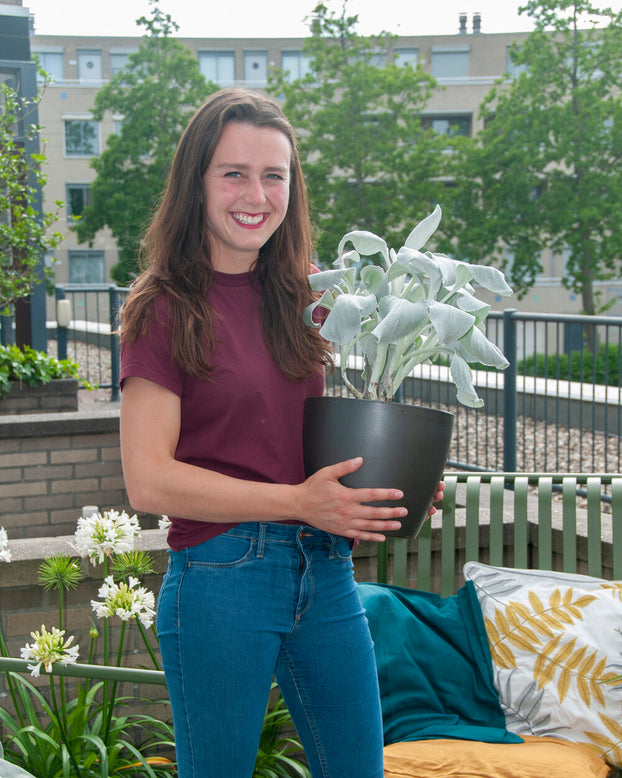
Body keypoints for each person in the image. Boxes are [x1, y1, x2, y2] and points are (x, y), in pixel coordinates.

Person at [119, 87, 444, 778]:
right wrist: (298, 501)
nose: (256, 194)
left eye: (275, 175)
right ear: (196, 182)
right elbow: (149, 478)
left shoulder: (308, 301)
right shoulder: (164, 308)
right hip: (220, 578)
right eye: (234, 172)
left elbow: (306, 445)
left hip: (324, 572)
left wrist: (384, 485)